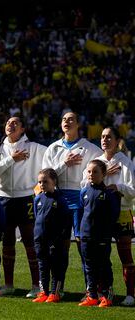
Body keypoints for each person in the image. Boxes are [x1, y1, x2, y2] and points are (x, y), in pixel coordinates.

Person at [0, 116, 47, 297]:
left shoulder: (35, 148)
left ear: (23, 129)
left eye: (15, 123)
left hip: (26, 198)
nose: (10, 125)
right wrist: (11, 159)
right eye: (7, 123)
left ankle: (37, 286)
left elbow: (52, 158)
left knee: (30, 242)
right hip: (3, 199)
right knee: (7, 243)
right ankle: (9, 284)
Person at [42, 112, 102, 291]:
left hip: (80, 201)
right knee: (59, 248)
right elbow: (44, 176)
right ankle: (57, 288)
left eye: (71, 119)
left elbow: (101, 168)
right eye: (64, 119)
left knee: (84, 248)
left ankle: (91, 290)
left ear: (78, 124)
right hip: (58, 201)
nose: (67, 122)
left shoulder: (90, 148)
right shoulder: (53, 148)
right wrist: (63, 163)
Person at [82, 127, 135, 306]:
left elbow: (133, 190)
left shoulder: (126, 162)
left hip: (121, 213)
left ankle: (130, 294)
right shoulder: (95, 161)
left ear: (117, 140)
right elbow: (85, 184)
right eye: (103, 137)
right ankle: (98, 293)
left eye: (109, 137)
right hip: (99, 217)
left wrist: (118, 187)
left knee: (125, 255)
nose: (105, 140)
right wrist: (103, 176)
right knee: (99, 256)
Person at [78, 160, 120, 308]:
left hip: (102, 237)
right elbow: (82, 212)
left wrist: (105, 233)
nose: (91, 174)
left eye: (95, 172)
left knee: (103, 266)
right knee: (89, 266)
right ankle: (92, 296)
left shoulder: (109, 194)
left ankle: (106, 296)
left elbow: (114, 215)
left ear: (103, 174)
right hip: (86, 236)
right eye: (89, 171)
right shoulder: (84, 191)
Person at [32, 169, 71, 303]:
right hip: (40, 240)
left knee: (56, 267)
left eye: (45, 181)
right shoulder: (38, 199)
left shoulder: (60, 200)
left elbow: (65, 221)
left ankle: (55, 292)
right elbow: (38, 218)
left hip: (55, 241)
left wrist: (59, 238)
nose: (42, 184)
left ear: (54, 182)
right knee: (42, 266)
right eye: (40, 182)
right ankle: (44, 292)